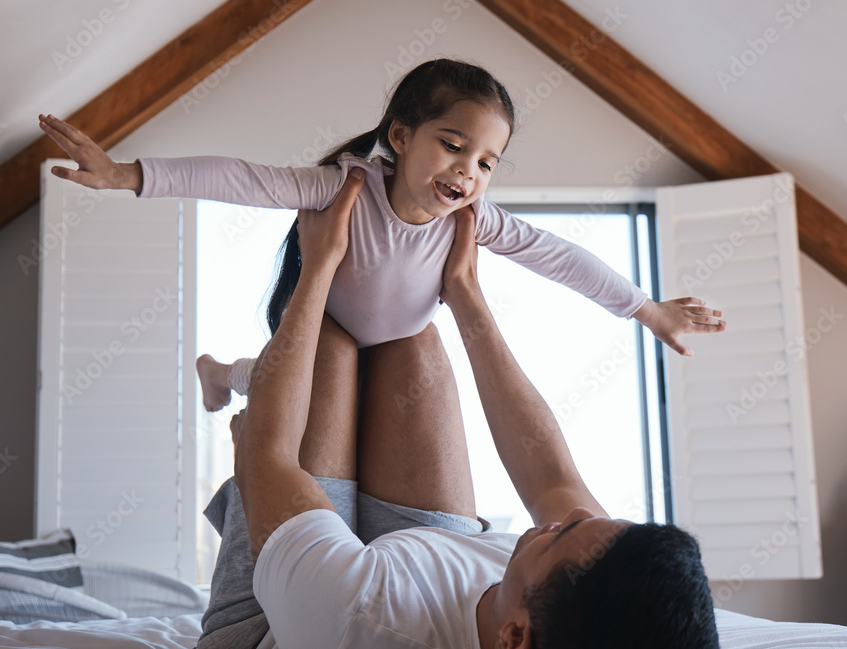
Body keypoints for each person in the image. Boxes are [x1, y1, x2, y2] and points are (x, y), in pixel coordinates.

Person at [179, 170, 722, 649]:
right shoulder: (584, 584)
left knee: (331, 344)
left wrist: (318, 263)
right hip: (416, 565)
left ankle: (226, 379)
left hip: (273, 628)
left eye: (557, 538)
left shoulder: (353, 618)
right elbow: (553, 478)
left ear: (514, 640)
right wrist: (463, 292)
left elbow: (268, 452)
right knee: (405, 332)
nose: (561, 518)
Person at [38, 59, 725, 415]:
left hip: (396, 340)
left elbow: (560, 259)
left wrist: (645, 307)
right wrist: (126, 174)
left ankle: (233, 378)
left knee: (373, 406)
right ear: (400, 136)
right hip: (328, 324)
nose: (467, 170)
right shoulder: (346, 186)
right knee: (295, 387)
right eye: (452, 145)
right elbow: (242, 180)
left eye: (485, 162)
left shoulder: (470, 221)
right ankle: (220, 373)